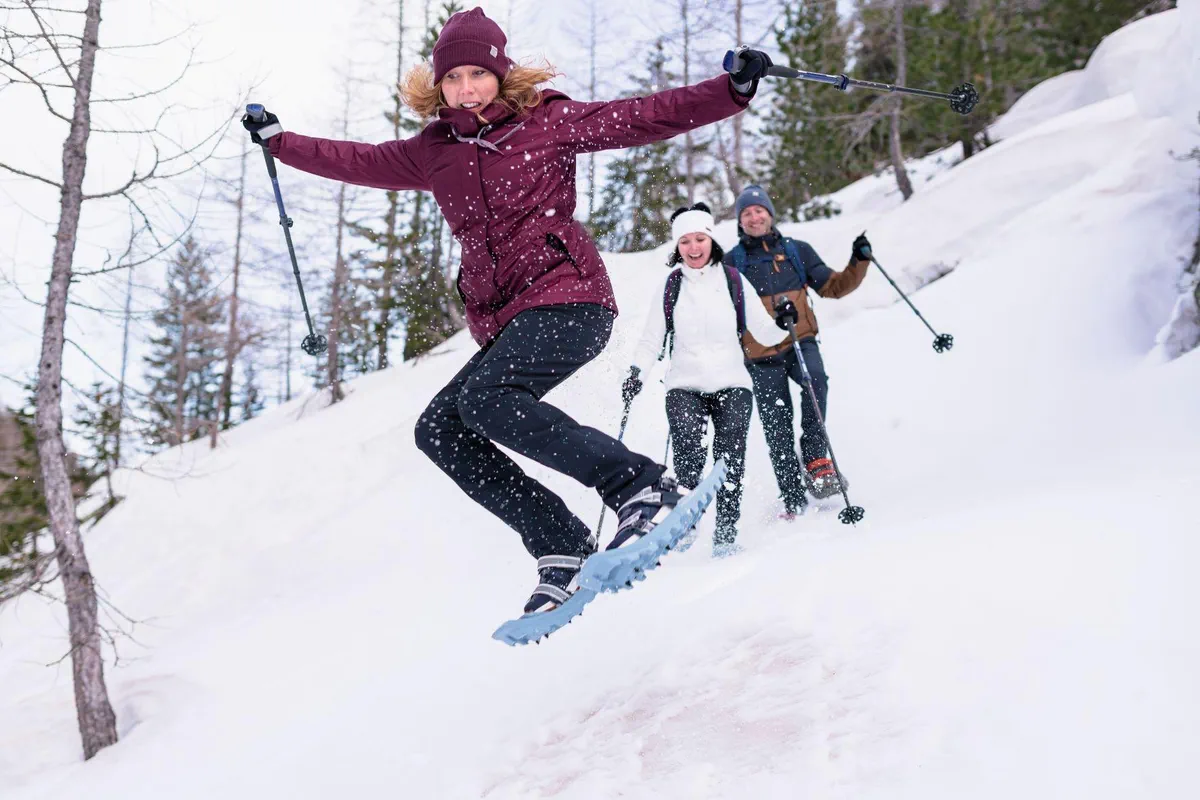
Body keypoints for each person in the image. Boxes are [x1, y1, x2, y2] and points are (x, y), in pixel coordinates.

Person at [241, 7, 772, 616]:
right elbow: (359, 160)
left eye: (477, 74)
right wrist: (280, 143)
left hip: (570, 297)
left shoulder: (547, 121)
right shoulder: (433, 151)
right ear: (438, 85)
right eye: (452, 77)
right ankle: (561, 543)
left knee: (487, 400)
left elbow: (641, 115)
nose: (465, 88)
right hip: (508, 319)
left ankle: (642, 486)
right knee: (440, 430)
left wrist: (731, 89)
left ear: (500, 74)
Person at [622, 203, 784, 557]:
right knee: (688, 459)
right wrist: (637, 372)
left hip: (732, 382)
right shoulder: (671, 286)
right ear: (677, 246)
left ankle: (726, 533)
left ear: (712, 240)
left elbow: (764, 332)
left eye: (699, 239)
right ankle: (686, 524)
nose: (693, 248)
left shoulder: (733, 280)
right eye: (685, 241)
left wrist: (784, 323)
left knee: (730, 461)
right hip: (684, 385)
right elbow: (651, 339)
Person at [723, 185, 872, 516]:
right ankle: (792, 496)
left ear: (770, 213)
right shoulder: (732, 262)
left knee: (816, 380)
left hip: (799, 341)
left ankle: (817, 460)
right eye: (746, 213)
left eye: (759, 210)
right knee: (777, 424)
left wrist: (859, 260)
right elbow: (720, 309)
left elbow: (833, 287)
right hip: (760, 355)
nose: (754, 217)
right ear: (740, 222)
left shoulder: (796, 251)